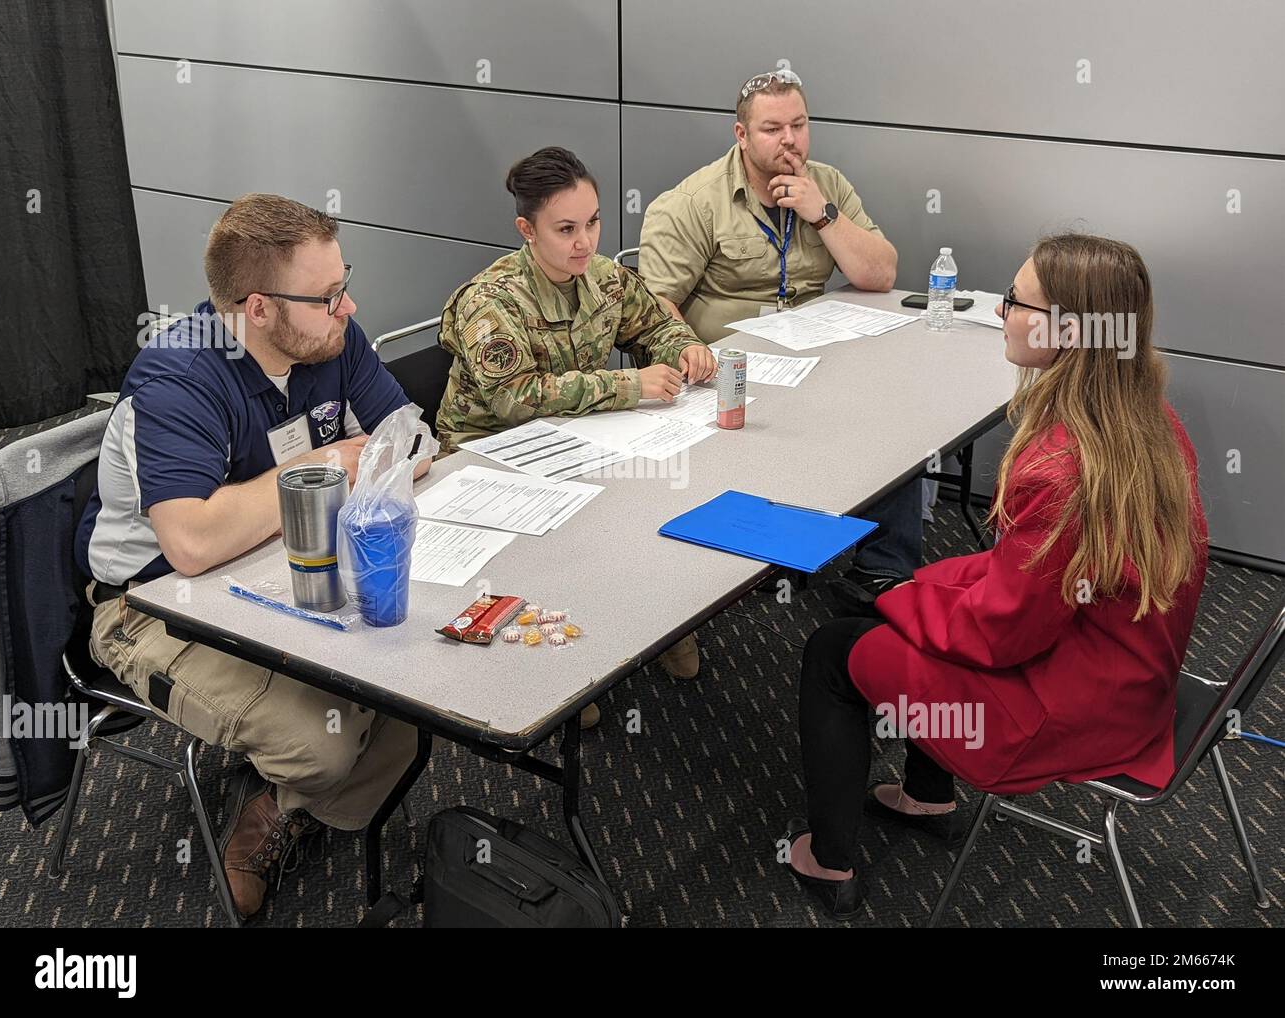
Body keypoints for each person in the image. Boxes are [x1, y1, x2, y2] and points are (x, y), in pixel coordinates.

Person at [783, 234, 1209, 920]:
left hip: (1059, 714)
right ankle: (928, 797)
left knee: (833, 649)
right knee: (899, 611)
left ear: (1066, 330)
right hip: (1130, 683)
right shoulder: (1148, 425)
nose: (1003, 310)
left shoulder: (1061, 466)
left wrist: (902, 600)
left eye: (1015, 300)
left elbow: (999, 634)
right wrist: (919, 592)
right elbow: (1023, 583)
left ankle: (828, 862)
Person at [75, 193, 431, 919]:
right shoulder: (179, 376)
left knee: (414, 699)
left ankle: (295, 805)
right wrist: (337, 462)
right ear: (259, 309)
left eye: (344, 282)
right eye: (328, 295)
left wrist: (374, 459)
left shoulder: (329, 338)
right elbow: (194, 543)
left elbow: (414, 441)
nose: (350, 306)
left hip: (279, 563)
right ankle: (274, 813)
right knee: (323, 745)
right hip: (151, 605)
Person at [436, 147, 716, 709]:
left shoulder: (603, 278)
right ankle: (564, 668)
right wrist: (628, 386)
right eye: (565, 229)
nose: (584, 241)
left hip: (573, 440)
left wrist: (685, 348)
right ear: (527, 230)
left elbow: (655, 323)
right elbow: (517, 398)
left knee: (656, 495)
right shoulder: (491, 302)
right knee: (575, 530)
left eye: (592, 223)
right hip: (488, 455)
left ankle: (656, 622)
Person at [637, 69, 918, 610]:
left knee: (896, 418)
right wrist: (690, 353)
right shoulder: (693, 203)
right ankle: (762, 558)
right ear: (741, 135)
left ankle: (884, 570)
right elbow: (652, 307)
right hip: (729, 375)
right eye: (772, 129)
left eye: (799, 125)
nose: (789, 140)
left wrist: (823, 214)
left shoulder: (827, 185)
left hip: (813, 360)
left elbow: (880, 274)